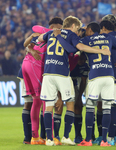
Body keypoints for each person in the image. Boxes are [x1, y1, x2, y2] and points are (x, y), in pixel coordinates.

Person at [38, 16, 111, 146]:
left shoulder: (51, 32)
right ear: (73, 26)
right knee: (71, 102)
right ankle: (66, 136)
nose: (78, 31)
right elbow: (80, 47)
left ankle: (49, 139)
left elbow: (38, 39)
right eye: (77, 28)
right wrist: (101, 51)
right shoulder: (71, 34)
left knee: (48, 106)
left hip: (48, 73)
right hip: (62, 73)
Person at [77, 21, 116, 147]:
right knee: (107, 108)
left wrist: (82, 32)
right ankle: (105, 141)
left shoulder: (87, 39)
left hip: (95, 75)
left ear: (89, 30)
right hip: (109, 76)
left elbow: (76, 46)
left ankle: (88, 140)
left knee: (90, 107)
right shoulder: (108, 37)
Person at [22, 17, 63, 145]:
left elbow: (32, 35)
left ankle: (35, 137)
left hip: (26, 64)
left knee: (36, 100)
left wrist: (32, 48)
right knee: (46, 100)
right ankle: (49, 137)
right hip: (36, 65)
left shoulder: (41, 35)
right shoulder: (53, 36)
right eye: (59, 27)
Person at [17, 68, 33, 144]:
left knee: (38, 104)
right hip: (28, 72)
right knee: (28, 103)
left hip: (40, 71)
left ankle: (39, 136)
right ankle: (27, 137)